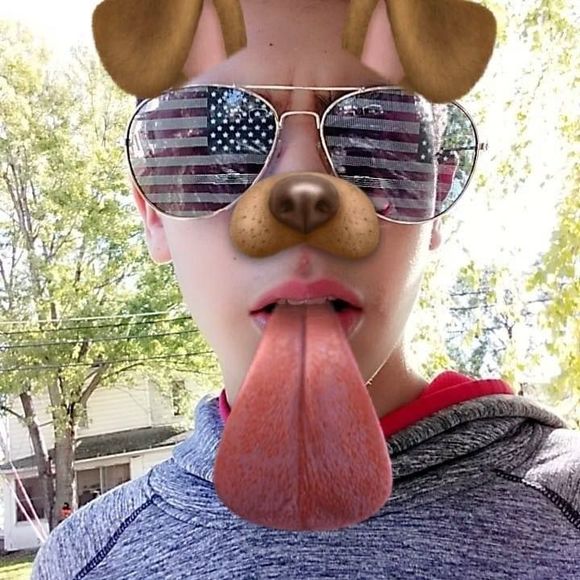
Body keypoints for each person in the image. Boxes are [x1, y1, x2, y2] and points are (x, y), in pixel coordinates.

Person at [33, 0, 579, 578]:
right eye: (223, 150)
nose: (303, 199)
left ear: (437, 195)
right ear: (153, 213)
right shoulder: (82, 561)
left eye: (374, 143)